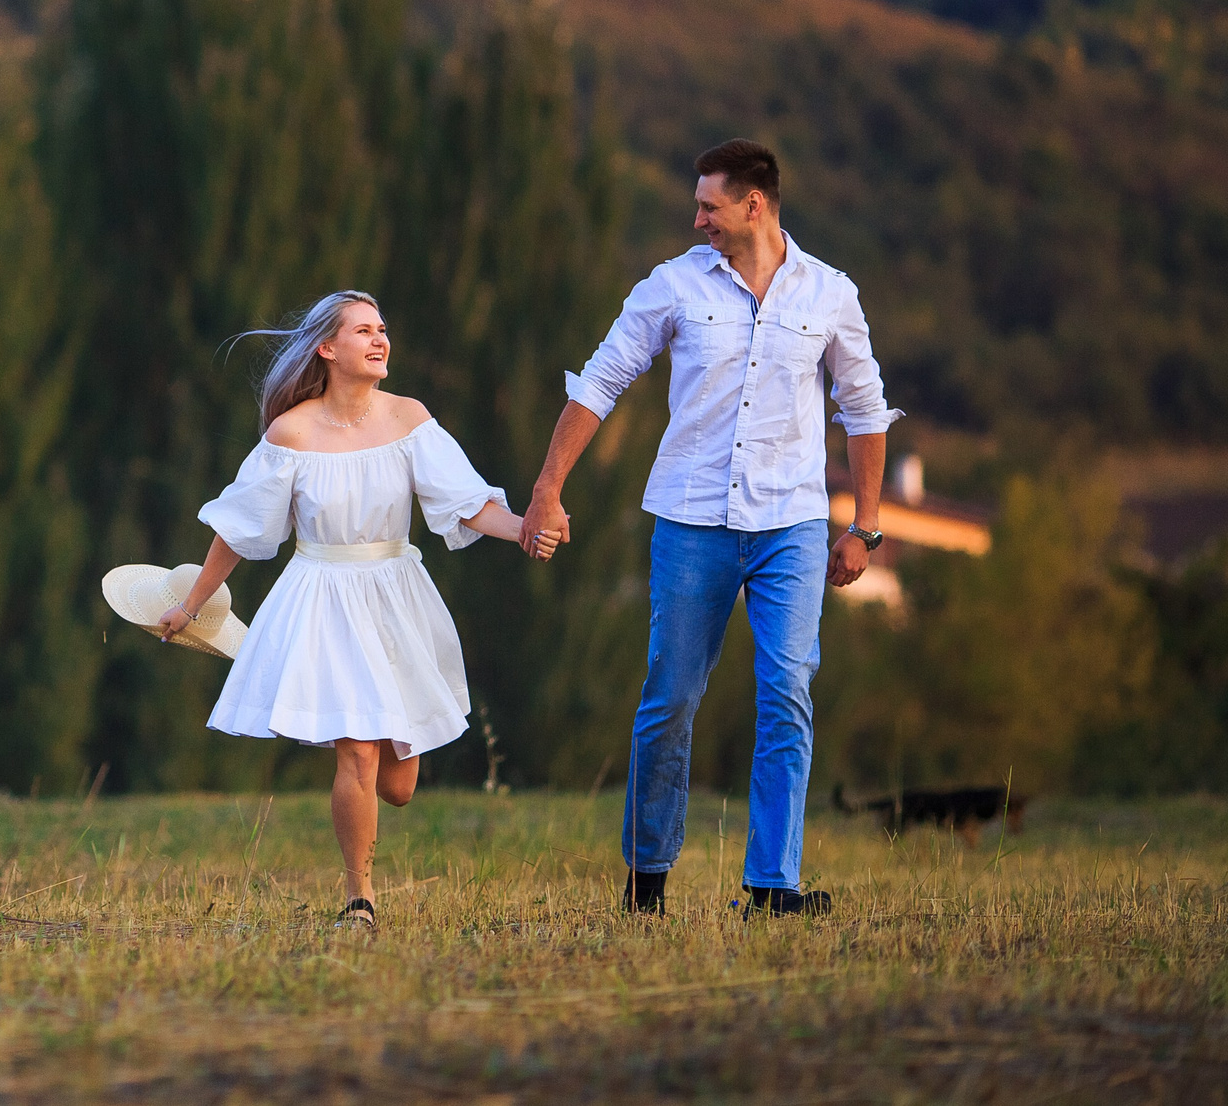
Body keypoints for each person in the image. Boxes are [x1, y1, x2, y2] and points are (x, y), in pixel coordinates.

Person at [520, 139, 898, 918]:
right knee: (671, 697)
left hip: (791, 520)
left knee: (787, 690)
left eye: (710, 207)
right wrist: (547, 488)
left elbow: (862, 406)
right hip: (691, 520)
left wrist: (866, 526)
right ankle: (647, 881)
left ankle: (771, 886)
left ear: (753, 204)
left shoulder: (829, 293)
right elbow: (601, 380)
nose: (697, 220)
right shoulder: (672, 287)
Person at [156, 291, 562, 929]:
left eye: (383, 329)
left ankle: (370, 821)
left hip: (396, 594)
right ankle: (360, 899)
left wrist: (523, 529)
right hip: (323, 594)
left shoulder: (408, 419)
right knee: (358, 751)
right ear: (327, 348)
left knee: (396, 787)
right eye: (364, 330)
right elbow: (239, 529)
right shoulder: (292, 431)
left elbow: (464, 502)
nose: (381, 340)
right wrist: (189, 605)